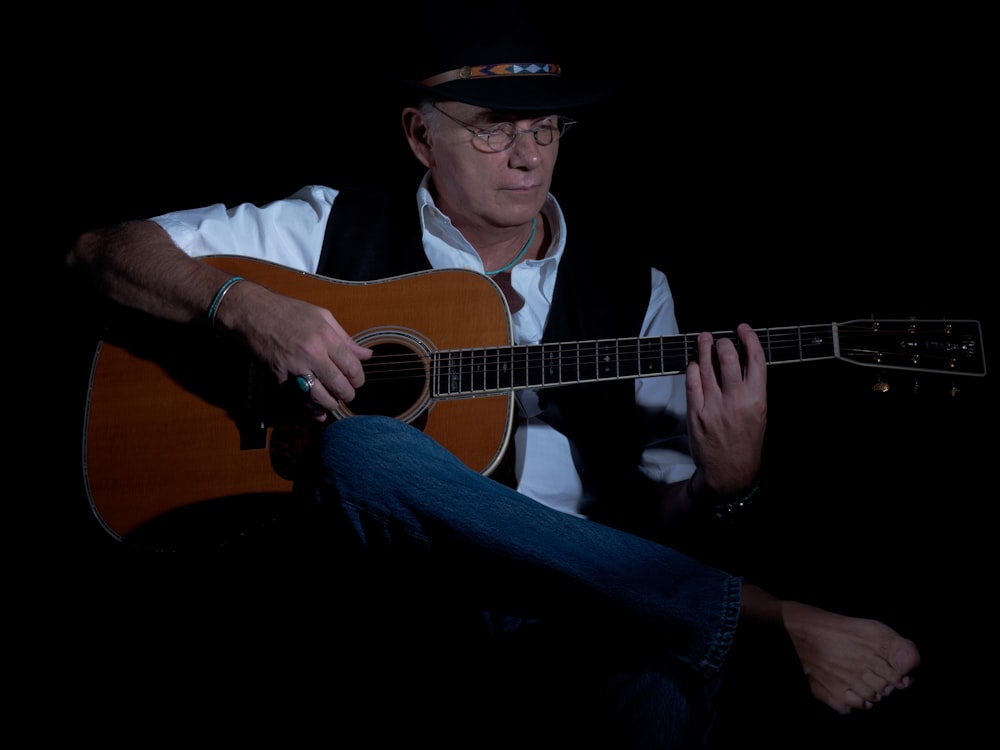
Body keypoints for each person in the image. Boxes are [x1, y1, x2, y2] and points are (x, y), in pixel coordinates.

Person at [64, 9, 920, 748]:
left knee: (656, 690)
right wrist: (242, 305)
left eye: (546, 130)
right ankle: (759, 621)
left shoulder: (633, 292)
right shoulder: (325, 229)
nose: (527, 156)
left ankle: (703, 623)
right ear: (418, 135)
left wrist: (724, 485)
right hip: (381, 604)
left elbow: (667, 519)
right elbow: (104, 250)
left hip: (577, 611)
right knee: (363, 450)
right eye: (493, 127)